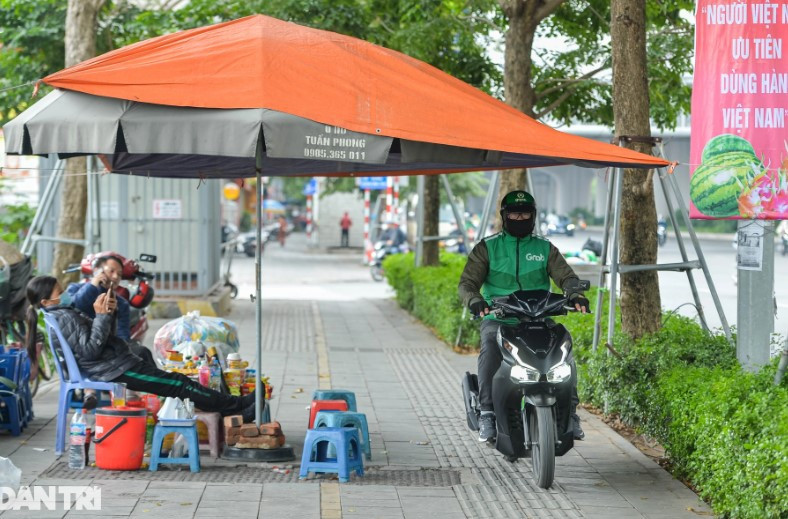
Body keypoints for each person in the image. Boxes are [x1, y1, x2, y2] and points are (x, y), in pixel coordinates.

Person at [25, 276, 258, 422]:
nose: (66, 293)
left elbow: (98, 339)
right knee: (179, 383)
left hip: (114, 363)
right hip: (113, 369)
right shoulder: (64, 317)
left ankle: (233, 405)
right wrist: (101, 316)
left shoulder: (61, 314)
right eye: (60, 292)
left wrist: (108, 314)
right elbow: (91, 350)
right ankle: (235, 407)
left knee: (175, 381)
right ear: (45, 302)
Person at [458, 190, 589, 443]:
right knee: (490, 346)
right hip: (500, 318)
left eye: (525, 214)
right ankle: (487, 413)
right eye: (514, 214)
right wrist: (475, 301)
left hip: (539, 318)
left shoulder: (544, 248)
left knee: (564, 348)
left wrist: (575, 294)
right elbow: (467, 284)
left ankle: (571, 413)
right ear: (504, 216)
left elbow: (566, 277)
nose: (520, 218)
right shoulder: (487, 247)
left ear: (533, 216)